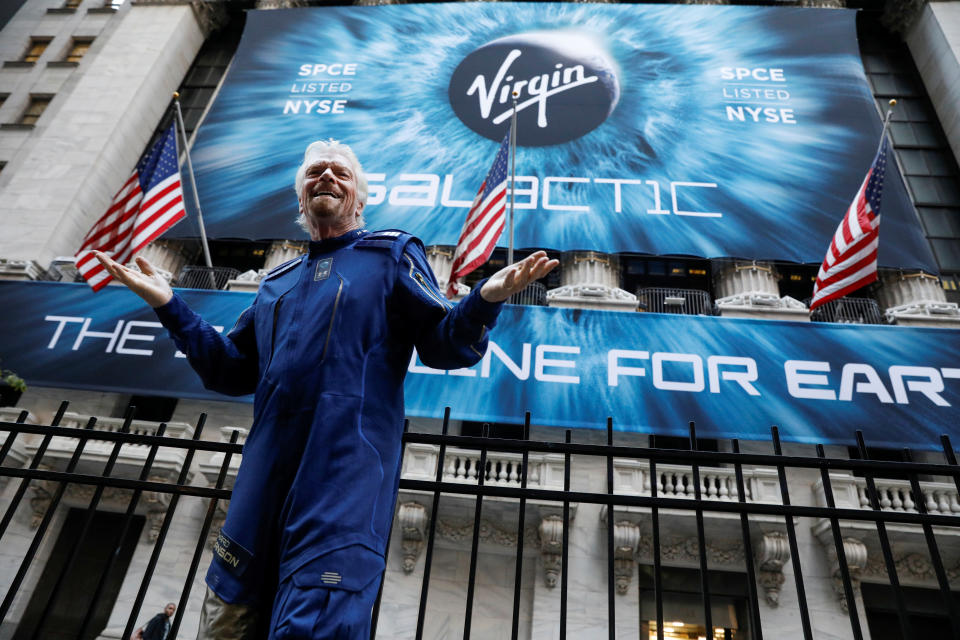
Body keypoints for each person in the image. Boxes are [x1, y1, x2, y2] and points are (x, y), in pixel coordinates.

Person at [95, 139, 557, 640]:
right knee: (225, 622)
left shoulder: (392, 253)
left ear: (359, 197)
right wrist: (171, 306)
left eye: (340, 173)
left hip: (343, 481)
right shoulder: (277, 282)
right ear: (300, 199)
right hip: (261, 484)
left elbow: (443, 345)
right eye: (316, 172)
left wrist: (484, 300)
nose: (327, 178)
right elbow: (229, 372)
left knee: (313, 624)